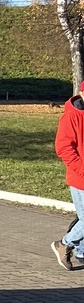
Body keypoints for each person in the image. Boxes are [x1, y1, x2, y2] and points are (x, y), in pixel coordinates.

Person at [53, 80, 84, 269]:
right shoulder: (71, 117)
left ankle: (81, 251)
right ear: (82, 93)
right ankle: (64, 244)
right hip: (80, 179)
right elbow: (63, 148)